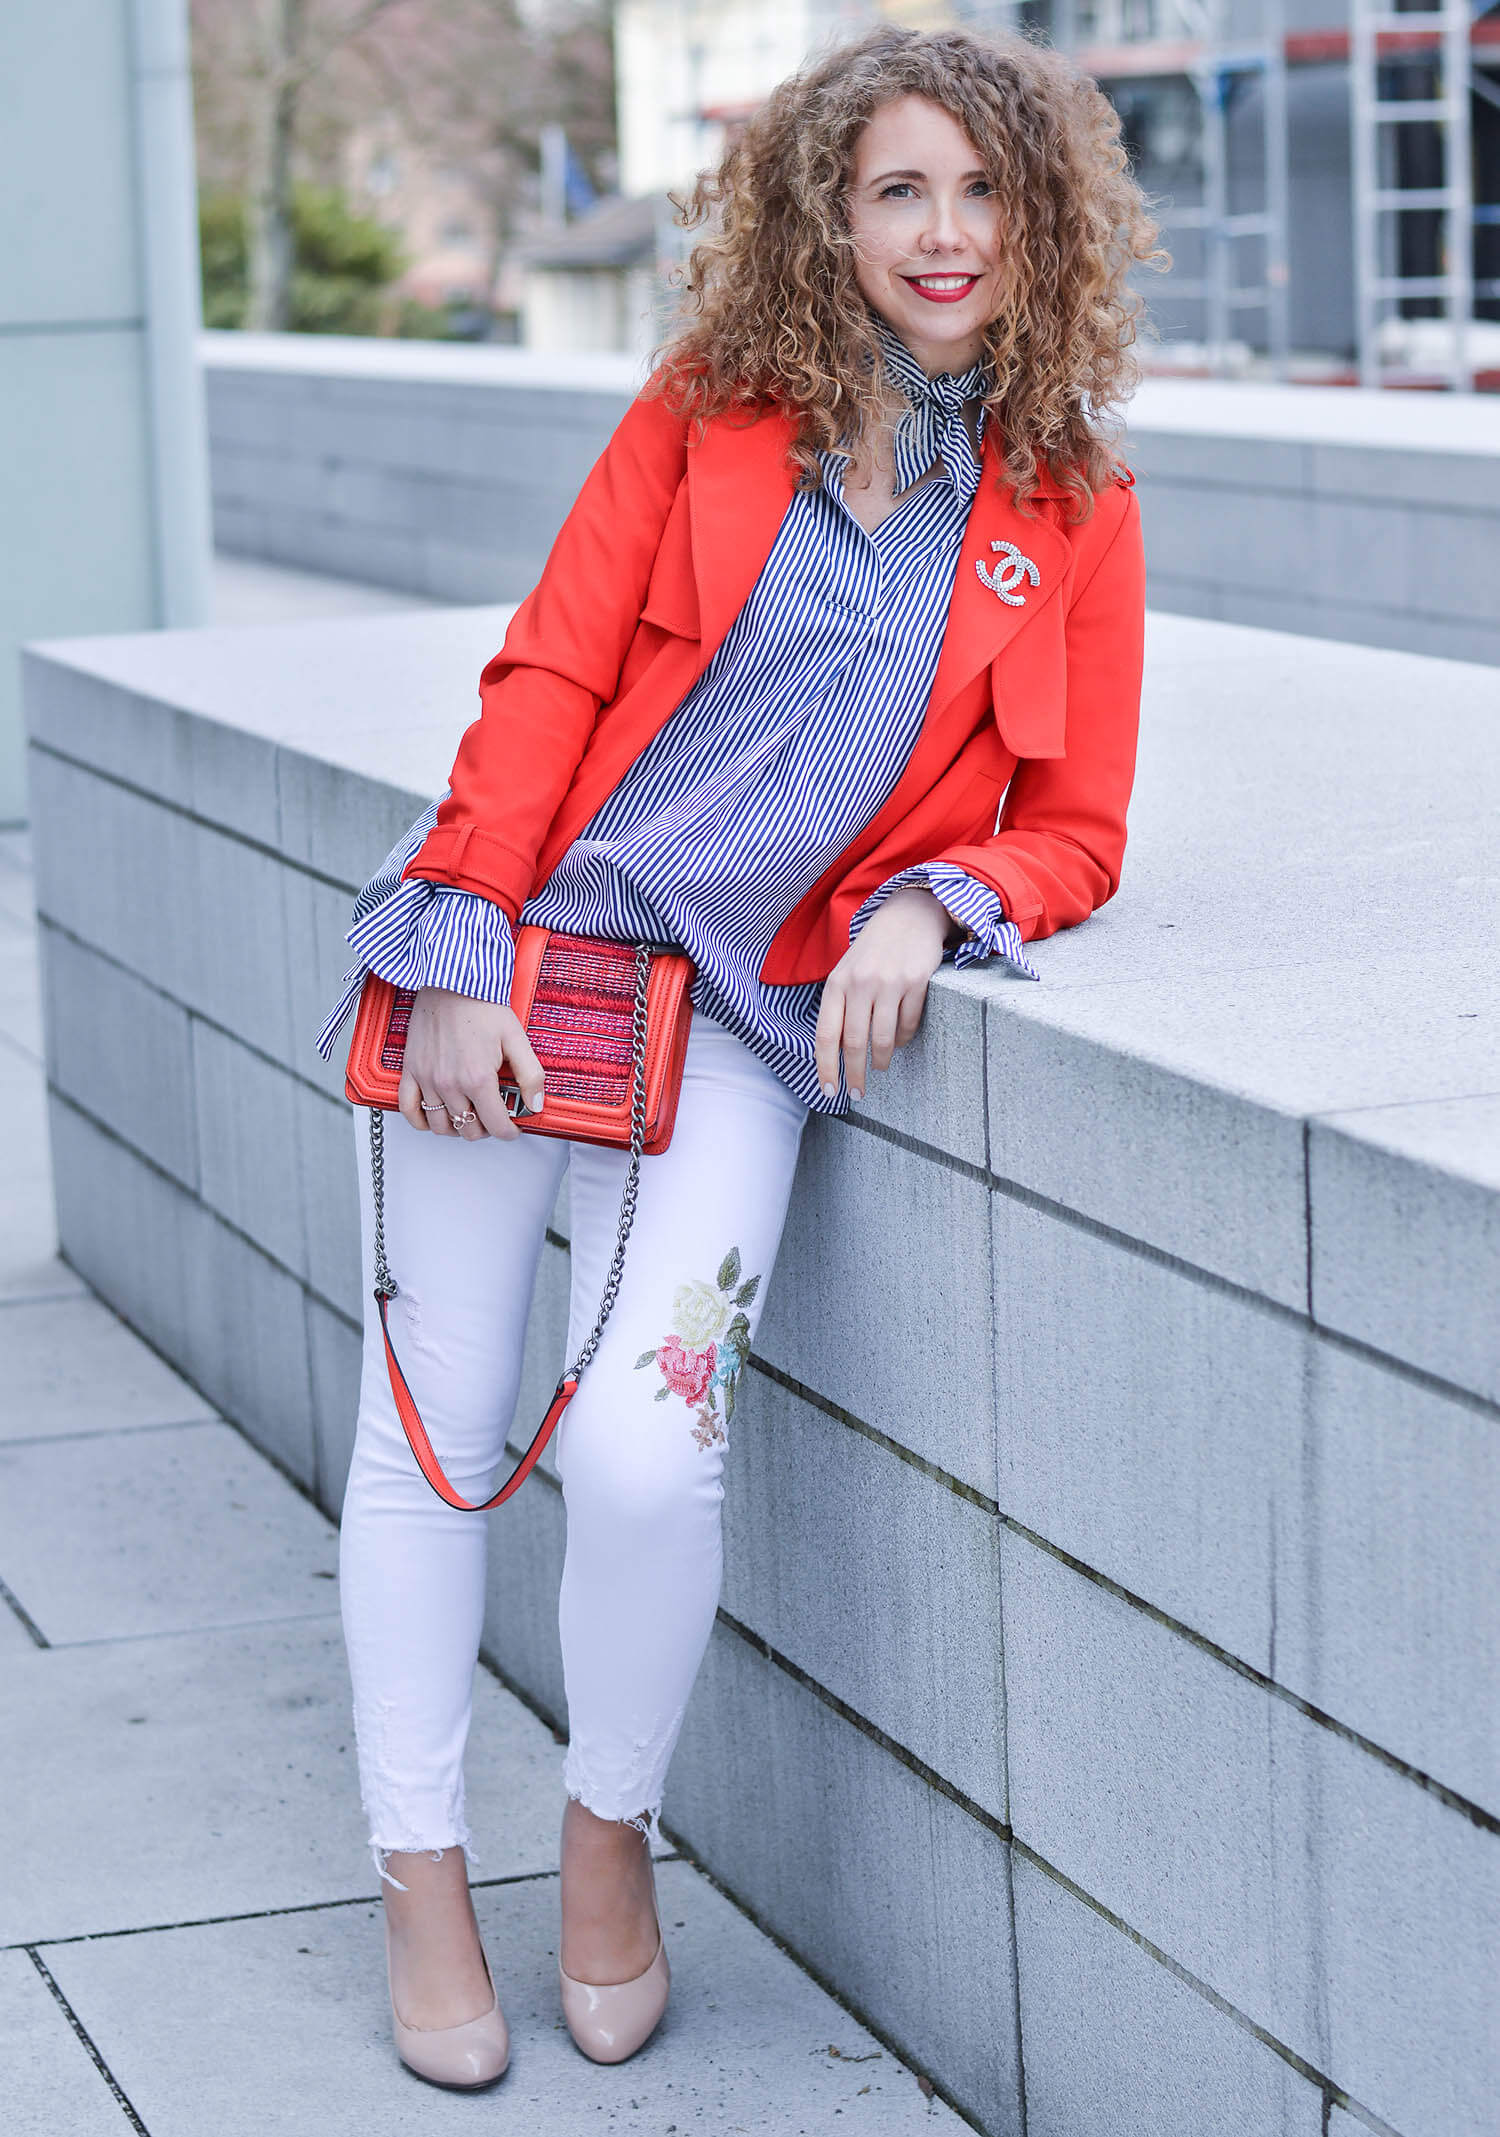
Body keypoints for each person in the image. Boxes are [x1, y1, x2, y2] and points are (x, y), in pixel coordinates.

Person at [316, 21, 1157, 2087]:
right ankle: (420, 1868)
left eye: (983, 190)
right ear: (832, 213)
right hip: (519, 968)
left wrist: (926, 903)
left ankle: (611, 1834)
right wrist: (453, 948)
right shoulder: (712, 411)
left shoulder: (1075, 499)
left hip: (752, 1026)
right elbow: (549, 669)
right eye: (900, 189)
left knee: (639, 1439)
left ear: (1042, 220)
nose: (944, 231)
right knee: (433, 1434)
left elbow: (1080, 824)